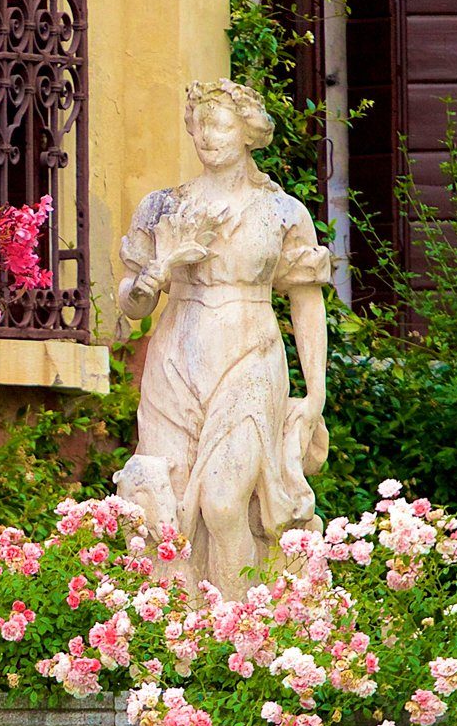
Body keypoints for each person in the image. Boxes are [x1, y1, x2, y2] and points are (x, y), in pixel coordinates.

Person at [115, 78, 332, 597]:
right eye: (199, 125)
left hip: (250, 358)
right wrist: (148, 281)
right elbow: (133, 304)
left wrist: (316, 392)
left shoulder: (282, 213)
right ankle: (175, 624)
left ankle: (240, 631)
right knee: (163, 503)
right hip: (176, 361)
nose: (206, 136)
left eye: (220, 125)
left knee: (224, 501)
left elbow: (305, 300)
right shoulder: (163, 207)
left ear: (248, 132)